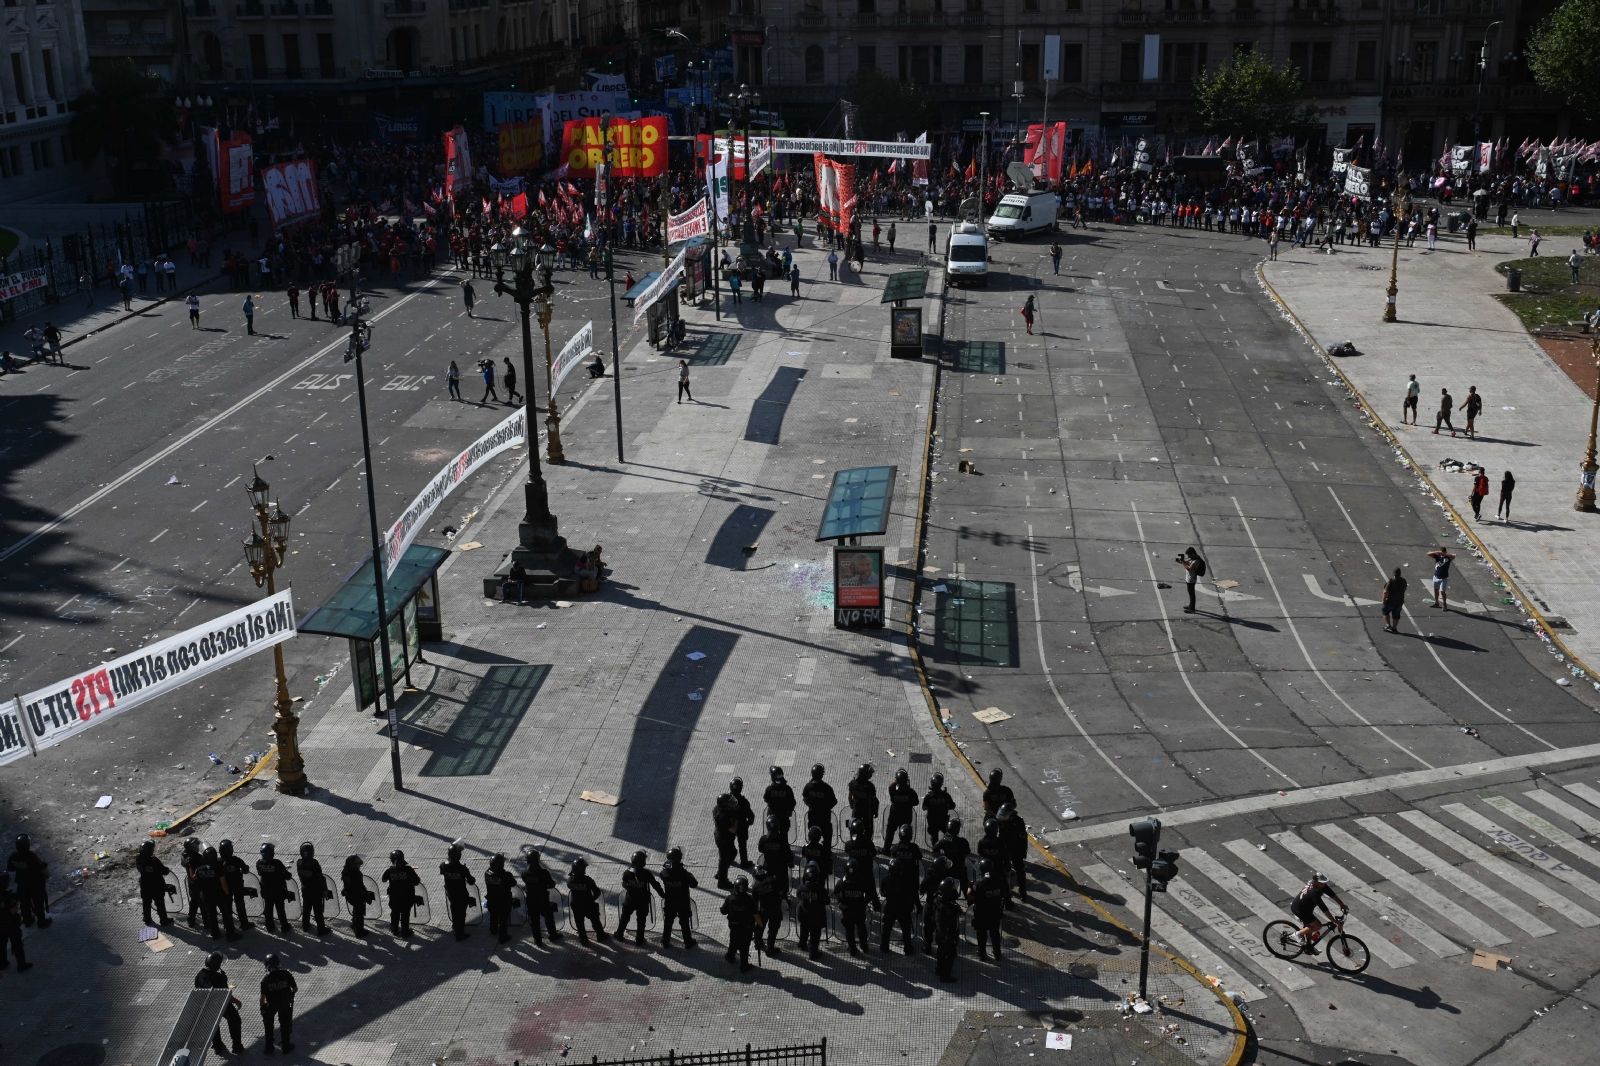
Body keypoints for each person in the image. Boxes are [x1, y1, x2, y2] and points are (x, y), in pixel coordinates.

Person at [195, 952, 244, 1056]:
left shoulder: (199, 975)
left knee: (213, 1025)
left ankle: (217, 1047)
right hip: (221, 1003)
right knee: (235, 1019)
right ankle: (237, 1046)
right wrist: (236, 1001)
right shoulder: (220, 977)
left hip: (206, 1005)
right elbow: (226, 994)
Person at [615, 850, 664, 945]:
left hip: (630, 900)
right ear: (642, 862)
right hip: (643, 901)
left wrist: (630, 887)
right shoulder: (646, 873)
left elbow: (624, 883)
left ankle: (619, 934)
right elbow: (655, 885)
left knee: (625, 917)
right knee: (641, 920)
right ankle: (639, 939)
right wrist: (662, 894)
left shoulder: (627, 872)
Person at [1290, 872, 1348, 954]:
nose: (1324, 885)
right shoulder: (1314, 892)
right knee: (1318, 925)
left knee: (1309, 927)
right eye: (1322, 883)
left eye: (1324, 883)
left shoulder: (1319, 885)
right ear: (1316, 882)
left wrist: (1342, 904)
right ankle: (1298, 934)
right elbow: (1324, 909)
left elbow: (1332, 894)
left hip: (1306, 908)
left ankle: (1308, 947)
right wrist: (1334, 921)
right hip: (1300, 910)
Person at [834, 856, 877, 956]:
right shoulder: (862, 881)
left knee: (849, 931)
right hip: (859, 910)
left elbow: (836, 893)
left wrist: (840, 903)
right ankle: (864, 946)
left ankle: (852, 949)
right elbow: (869, 894)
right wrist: (864, 903)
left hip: (847, 911)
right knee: (861, 928)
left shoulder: (841, 882)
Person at [5, 835, 49, 929]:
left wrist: (19, 865)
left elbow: (10, 868)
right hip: (35, 883)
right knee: (38, 902)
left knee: (24, 903)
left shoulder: (14, 855)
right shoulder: (31, 855)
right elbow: (40, 867)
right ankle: (41, 922)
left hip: (22, 883)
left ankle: (28, 920)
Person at [879, 853, 919, 954]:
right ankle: (907, 948)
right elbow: (912, 893)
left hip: (890, 907)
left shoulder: (885, 880)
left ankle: (884, 947)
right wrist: (915, 905)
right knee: (906, 929)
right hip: (903, 908)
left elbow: (882, 893)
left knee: (887, 928)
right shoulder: (907, 881)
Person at [969, 859, 1007, 961]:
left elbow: (970, 896)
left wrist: (970, 886)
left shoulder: (979, 884)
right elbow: (1004, 894)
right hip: (995, 912)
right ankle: (997, 953)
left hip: (981, 913)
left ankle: (982, 954)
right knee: (995, 933)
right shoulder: (999, 881)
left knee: (981, 934)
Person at [258, 954, 298, 1053]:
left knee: (268, 1026)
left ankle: (269, 1048)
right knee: (285, 1025)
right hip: (285, 1003)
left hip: (271, 1005)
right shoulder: (286, 974)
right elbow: (295, 989)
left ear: (267, 966)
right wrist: (289, 995)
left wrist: (262, 1009)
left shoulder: (265, 980)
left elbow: (262, 999)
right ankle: (286, 1046)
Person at [659, 847, 698, 948]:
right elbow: (694, 884)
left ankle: (665, 941)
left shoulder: (664, 873)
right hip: (682, 901)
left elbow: (663, 872)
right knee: (684, 922)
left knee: (668, 922)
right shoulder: (684, 874)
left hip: (670, 901)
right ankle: (688, 941)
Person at [521, 850, 561, 945]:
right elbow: (551, 884)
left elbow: (527, 884)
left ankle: (537, 940)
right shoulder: (544, 873)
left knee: (534, 920)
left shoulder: (524, 873)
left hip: (531, 900)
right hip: (542, 899)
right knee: (548, 917)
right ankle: (553, 935)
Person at [440, 843, 478, 941]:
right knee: (461, 914)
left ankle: (455, 926)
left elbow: (443, 872)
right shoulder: (462, 868)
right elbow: (471, 881)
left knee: (454, 910)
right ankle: (459, 934)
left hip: (450, 893)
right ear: (458, 856)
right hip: (461, 895)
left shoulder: (443, 865)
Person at [721, 876, 757, 971]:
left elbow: (723, 911)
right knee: (744, 946)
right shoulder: (750, 899)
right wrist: (759, 925)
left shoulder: (729, 898)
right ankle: (744, 965)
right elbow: (755, 913)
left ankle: (730, 956)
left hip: (734, 926)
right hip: (747, 928)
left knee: (733, 941)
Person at [382, 849, 421, 936]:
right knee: (405, 914)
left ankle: (394, 929)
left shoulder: (390, 870)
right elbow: (417, 881)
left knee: (395, 913)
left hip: (394, 897)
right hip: (407, 896)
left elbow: (383, 879)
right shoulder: (408, 869)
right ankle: (405, 931)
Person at [568, 858, 607, 944]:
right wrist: (592, 899)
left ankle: (583, 939)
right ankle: (600, 935)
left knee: (579, 923)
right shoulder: (588, 880)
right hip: (588, 904)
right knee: (595, 920)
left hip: (576, 905)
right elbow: (597, 892)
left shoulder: (570, 881)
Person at [255, 843, 292, 934]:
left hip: (266, 891)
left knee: (268, 909)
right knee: (280, 910)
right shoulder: (277, 863)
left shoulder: (259, 863)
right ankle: (284, 926)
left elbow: (260, 873)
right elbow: (287, 875)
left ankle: (269, 926)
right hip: (278, 891)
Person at [136, 841, 174, 926]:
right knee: (160, 904)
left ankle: (147, 918)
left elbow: (140, 868)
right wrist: (167, 869)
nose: (153, 850)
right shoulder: (154, 860)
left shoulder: (138, 858)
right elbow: (164, 871)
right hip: (156, 885)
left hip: (145, 884)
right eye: (152, 849)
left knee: (146, 903)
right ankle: (164, 920)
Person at [296, 842, 330, 936]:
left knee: (306, 909)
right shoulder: (314, 863)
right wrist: (325, 890)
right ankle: (321, 929)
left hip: (305, 889)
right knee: (318, 911)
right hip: (316, 890)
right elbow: (320, 878)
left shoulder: (299, 862)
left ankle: (305, 926)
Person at [795, 862, 828, 960]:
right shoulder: (820, 889)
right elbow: (826, 900)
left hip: (803, 913)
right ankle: (813, 953)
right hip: (816, 916)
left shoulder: (801, 887)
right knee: (815, 935)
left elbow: (798, 895)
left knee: (804, 930)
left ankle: (802, 944)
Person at [933, 878, 963, 982]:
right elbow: (956, 914)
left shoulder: (938, 900)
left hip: (940, 933)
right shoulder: (949, 907)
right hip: (948, 934)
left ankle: (939, 969)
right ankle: (945, 976)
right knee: (950, 955)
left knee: (941, 951)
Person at [483, 854, 517, 944]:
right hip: (503, 902)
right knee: (503, 920)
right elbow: (513, 883)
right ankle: (503, 937)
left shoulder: (487, 873)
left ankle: (493, 930)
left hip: (491, 900)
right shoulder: (506, 875)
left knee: (493, 916)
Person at [883, 769, 917, 851]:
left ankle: (886, 849)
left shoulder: (892, 789)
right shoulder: (910, 792)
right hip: (906, 815)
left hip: (894, 815)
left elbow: (892, 786)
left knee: (890, 831)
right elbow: (916, 802)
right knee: (905, 832)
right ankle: (904, 849)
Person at [341, 855, 374, 938]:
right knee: (359, 913)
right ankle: (359, 931)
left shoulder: (345, 872)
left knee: (356, 910)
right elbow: (359, 886)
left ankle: (354, 924)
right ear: (353, 865)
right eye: (357, 865)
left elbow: (348, 885)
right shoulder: (356, 873)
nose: (359, 866)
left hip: (349, 895)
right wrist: (365, 894)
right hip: (357, 896)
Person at [763, 766, 797, 838]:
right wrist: (789, 811)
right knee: (784, 838)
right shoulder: (787, 789)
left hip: (772, 820)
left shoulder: (769, 789)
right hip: (784, 819)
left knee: (771, 837)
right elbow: (793, 802)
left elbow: (766, 799)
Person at [922, 772, 956, 843]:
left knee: (934, 838)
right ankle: (949, 846)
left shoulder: (929, 796)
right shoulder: (945, 795)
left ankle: (935, 848)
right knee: (948, 835)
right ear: (941, 784)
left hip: (932, 822)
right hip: (943, 821)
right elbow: (952, 806)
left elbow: (924, 807)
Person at [1177, 546, 1207, 614]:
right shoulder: (1193, 558)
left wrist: (1183, 563)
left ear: (1193, 554)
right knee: (1190, 593)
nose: (1189, 557)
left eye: (1189, 555)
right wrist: (1181, 561)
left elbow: (1189, 569)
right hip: (1189, 578)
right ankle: (1190, 605)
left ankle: (1192, 609)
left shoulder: (1196, 561)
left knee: (1191, 594)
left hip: (1191, 580)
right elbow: (1187, 563)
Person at [1380, 566, 1407, 634]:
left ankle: (1388, 626)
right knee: (1396, 615)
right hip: (1399, 601)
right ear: (1400, 573)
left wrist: (1384, 600)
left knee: (1385, 612)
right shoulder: (1403, 580)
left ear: (1394, 573)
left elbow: (1385, 591)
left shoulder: (1391, 580)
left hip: (1390, 601)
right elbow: (1404, 589)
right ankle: (1394, 628)